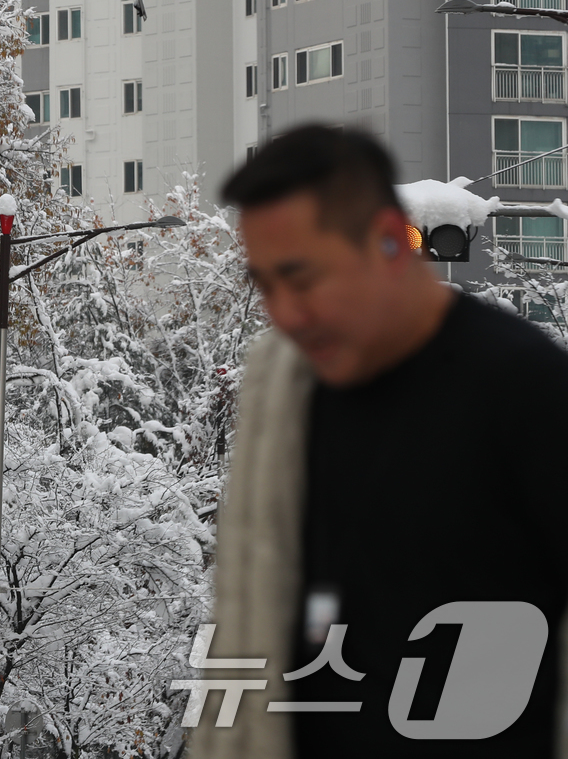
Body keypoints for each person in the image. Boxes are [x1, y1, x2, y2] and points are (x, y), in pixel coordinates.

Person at [187, 125, 568, 759]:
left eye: (302, 277)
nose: (285, 311)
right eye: (265, 283)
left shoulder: (525, 387)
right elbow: (249, 613)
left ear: (391, 241)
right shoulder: (284, 386)